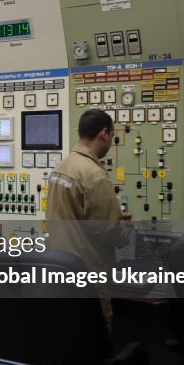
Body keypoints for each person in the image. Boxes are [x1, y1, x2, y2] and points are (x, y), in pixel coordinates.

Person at [45, 109, 131, 325]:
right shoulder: (94, 175)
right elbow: (110, 232)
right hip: (88, 276)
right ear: (104, 133)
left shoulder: (61, 167)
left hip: (59, 270)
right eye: (112, 136)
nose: (111, 141)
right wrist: (125, 228)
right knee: (96, 338)